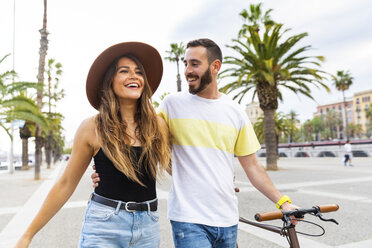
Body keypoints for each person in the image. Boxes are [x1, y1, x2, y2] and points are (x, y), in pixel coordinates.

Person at [92, 38, 298, 248]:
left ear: (215, 66)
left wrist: (283, 202)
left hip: (227, 218)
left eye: (195, 64)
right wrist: (106, 169)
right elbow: (136, 136)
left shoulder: (235, 112)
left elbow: (253, 166)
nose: (188, 70)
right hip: (188, 220)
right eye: (186, 63)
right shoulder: (171, 105)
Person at [15, 42, 171, 248]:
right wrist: (28, 234)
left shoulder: (157, 124)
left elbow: (175, 168)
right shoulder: (92, 127)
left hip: (148, 228)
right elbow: (66, 184)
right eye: (124, 71)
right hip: (104, 226)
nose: (134, 76)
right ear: (110, 81)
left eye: (139, 72)